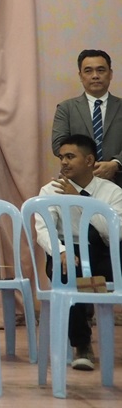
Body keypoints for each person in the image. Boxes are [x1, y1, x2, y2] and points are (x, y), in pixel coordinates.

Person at [33, 133, 122, 370]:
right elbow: (43, 230)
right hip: (67, 252)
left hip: (103, 252)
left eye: (70, 157)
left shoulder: (112, 192)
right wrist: (60, 252)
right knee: (68, 274)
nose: (63, 162)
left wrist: (81, 201)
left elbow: (114, 233)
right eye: (61, 157)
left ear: (89, 160)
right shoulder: (50, 191)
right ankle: (82, 345)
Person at [52, 50, 122, 186]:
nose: (95, 76)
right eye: (88, 71)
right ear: (80, 75)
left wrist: (116, 163)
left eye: (101, 70)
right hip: (77, 183)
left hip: (119, 180)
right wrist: (86, 166)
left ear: (110, 74)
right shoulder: (66, 108)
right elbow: (58, 145)